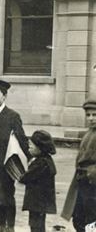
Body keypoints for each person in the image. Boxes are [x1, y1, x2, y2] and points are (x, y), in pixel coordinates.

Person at [0, 79, 30, 232]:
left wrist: (29, 157)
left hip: (7, 163)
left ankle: (10, 226)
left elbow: (21, 139)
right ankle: (0, 224)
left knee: (7, 195)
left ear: (4, 96)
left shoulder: (12, 116)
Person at [62, 98, 96, 232]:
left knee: (91, 220)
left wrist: (91, 172)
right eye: (88, 115)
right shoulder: (89, 133)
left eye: (94, 115)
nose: (91, 118)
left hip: (93, 183)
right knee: (78, 217)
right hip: (83, 181)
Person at [18, 130, 56, 232]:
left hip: (37, 201)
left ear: (40, 148)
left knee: (35, 225)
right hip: (41, 202)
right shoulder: (46, 160)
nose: (29, 148)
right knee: (39, 224)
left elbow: (26, 177)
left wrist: (20, 177)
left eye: (31, 146)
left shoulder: (40, 163)